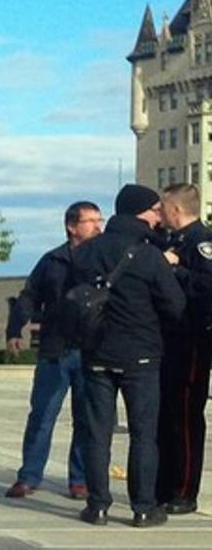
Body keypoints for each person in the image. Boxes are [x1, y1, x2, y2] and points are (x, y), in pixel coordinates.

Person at [72, 184, 185, 527]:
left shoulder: (87, 252)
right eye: (153, 210)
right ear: (140, 212)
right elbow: (175, 304)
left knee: (96, 433)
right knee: (143, 433)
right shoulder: (150, 254)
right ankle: (143, 508)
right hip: (141, 354)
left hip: (96, 353)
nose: (158, 216)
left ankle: (98, 506)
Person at [4, 201, 103, 500]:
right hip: (55, 350)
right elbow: (28, 297)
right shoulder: (52, 261)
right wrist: (14, 330)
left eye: (100, 220)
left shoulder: (104, 260)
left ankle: (80, 480)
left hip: (91, 350)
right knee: (43, 415)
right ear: (72, 226)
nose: (98, 226)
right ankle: (29, 477)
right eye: (91, 221)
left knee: (87, 419)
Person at [155, 183, 212, 514]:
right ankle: (164, 484)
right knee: (166, 415)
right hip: (168, 338)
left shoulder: (200, 242)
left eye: (163, 209)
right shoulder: (171, 240)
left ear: (176, 209)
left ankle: (185, 489)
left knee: (186, 416)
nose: (160, 215)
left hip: (192, 338)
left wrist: (175, 270)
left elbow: (206, 286)